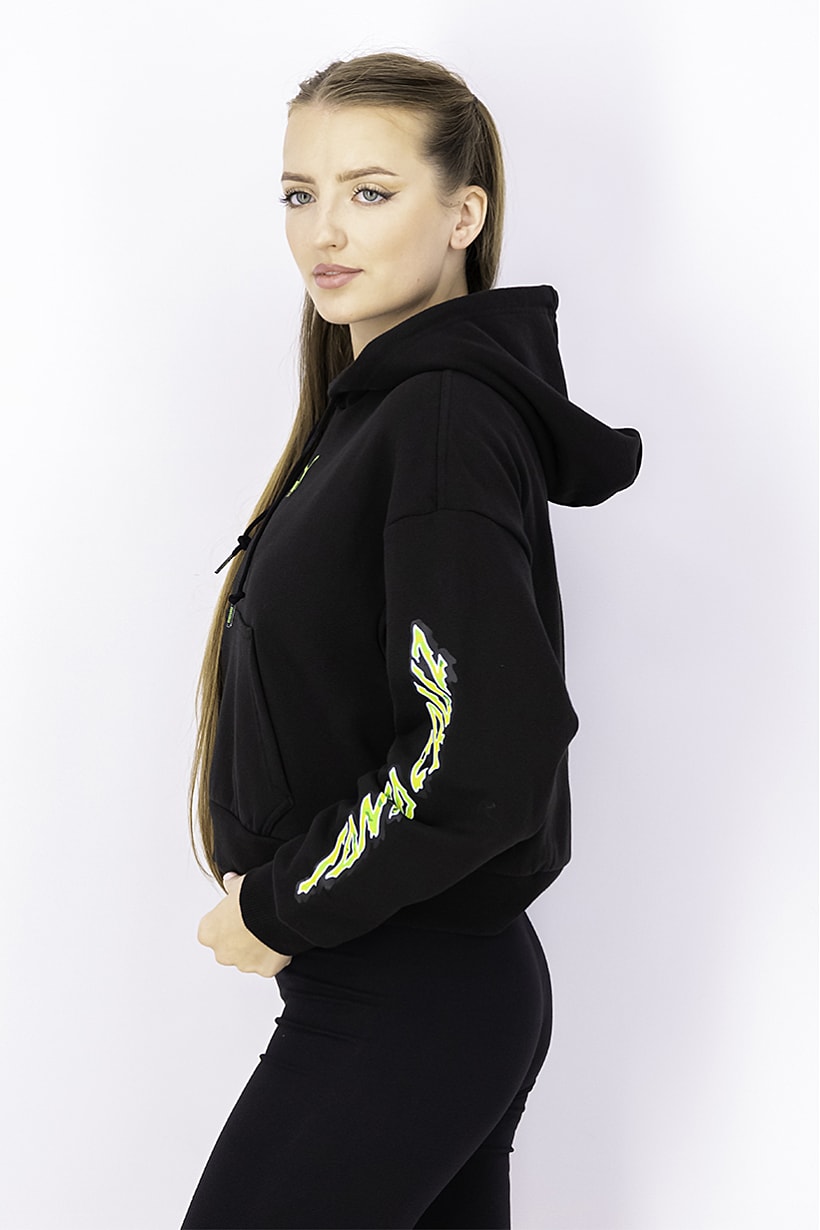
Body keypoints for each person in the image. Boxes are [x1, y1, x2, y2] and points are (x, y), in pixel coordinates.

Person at [181, 50, 642, 1230]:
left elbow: (480, 750)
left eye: (370, 192)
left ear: (462, 215)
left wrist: (280, 906)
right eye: (300, 193)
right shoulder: (382, 413)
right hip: (413, 989)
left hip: (408, 995)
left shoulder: (438, 416)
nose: (324, 231)